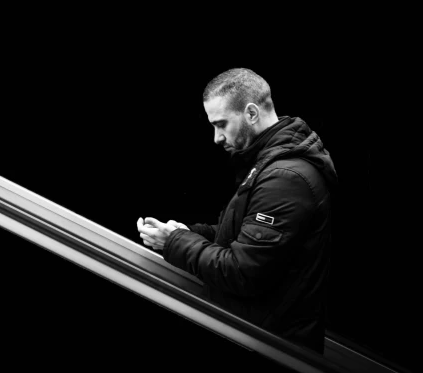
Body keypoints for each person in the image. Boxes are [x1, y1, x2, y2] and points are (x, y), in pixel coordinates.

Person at [137, 68, 337, 353]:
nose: (217, 138)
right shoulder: (270, 166)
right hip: (260, 337)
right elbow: (244, 239)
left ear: (251, 113)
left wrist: (176, 243)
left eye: (221, 124)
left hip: (273, 349)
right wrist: (186, 233)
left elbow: (243, 273)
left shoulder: (285, 178)